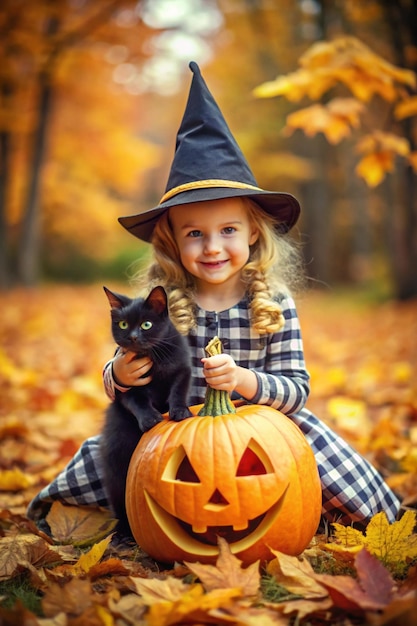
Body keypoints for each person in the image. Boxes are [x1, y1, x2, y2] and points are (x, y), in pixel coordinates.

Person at [27, 62, 400, 534]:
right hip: (170, 435)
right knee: (113, 452)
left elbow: (297, 389)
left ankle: (364, 523)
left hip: (256, 436)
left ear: (254, 234)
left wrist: (245, 380)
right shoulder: (161, 306)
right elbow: (120, 369)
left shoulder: (274, 304)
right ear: (172, 244)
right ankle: (76, 517)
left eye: (227, 230)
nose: (212, 247)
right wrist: (116, 375)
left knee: (311, 455)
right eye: (194, 234)